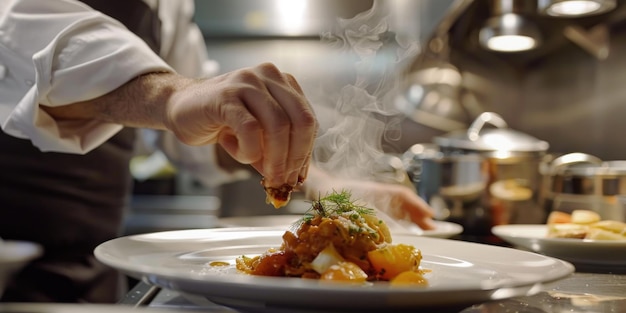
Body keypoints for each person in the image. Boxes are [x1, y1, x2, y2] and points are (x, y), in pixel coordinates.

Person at [0, 0, 434, 303]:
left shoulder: (170, 5)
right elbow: (19, 29)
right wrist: (171, 95)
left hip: (92, 256)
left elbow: (200, 132)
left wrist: (321, 182)